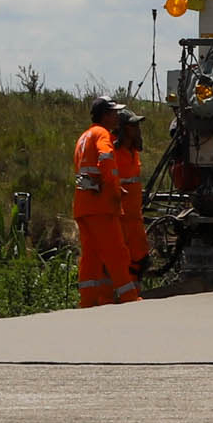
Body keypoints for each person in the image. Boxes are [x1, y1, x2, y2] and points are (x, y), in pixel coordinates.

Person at [72, 97, 137, 307]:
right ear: (105, 115)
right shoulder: (102, 134)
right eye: (114, 113)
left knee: (90, 256)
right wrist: (114, 188)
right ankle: (129, 297)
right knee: (116, 252)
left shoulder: (84, 137)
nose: (117, 117)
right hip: (101, 206)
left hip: (84, 205)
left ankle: (87, 302)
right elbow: (106, 158)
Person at [110, 104, 152, 290]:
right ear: (122, 129)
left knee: (139, 260)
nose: (137, 130)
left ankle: (134, 295)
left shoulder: (132, 151)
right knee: (122, 260)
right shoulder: (112, 150)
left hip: (134, 219)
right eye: (132, 125)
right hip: (120, 219)